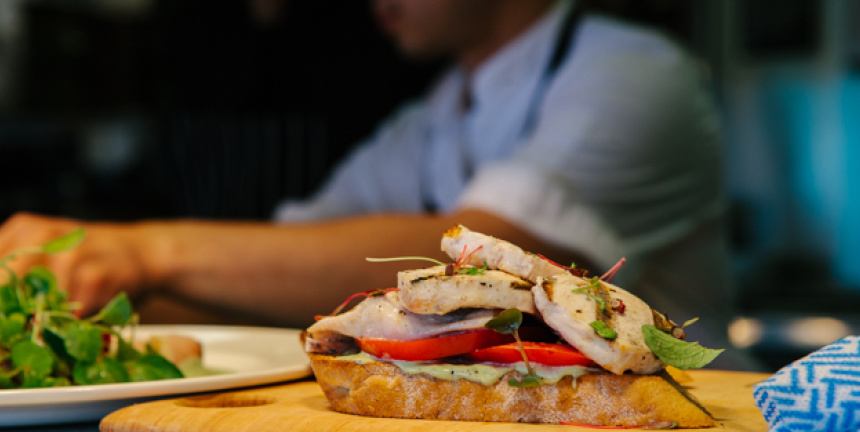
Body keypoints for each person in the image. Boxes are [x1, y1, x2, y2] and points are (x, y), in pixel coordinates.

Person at [0, 0, 742, 364]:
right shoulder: (436, 112)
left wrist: (140, 253)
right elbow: (287, 264)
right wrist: (74, 291)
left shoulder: (631, 71)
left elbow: (499, 248)